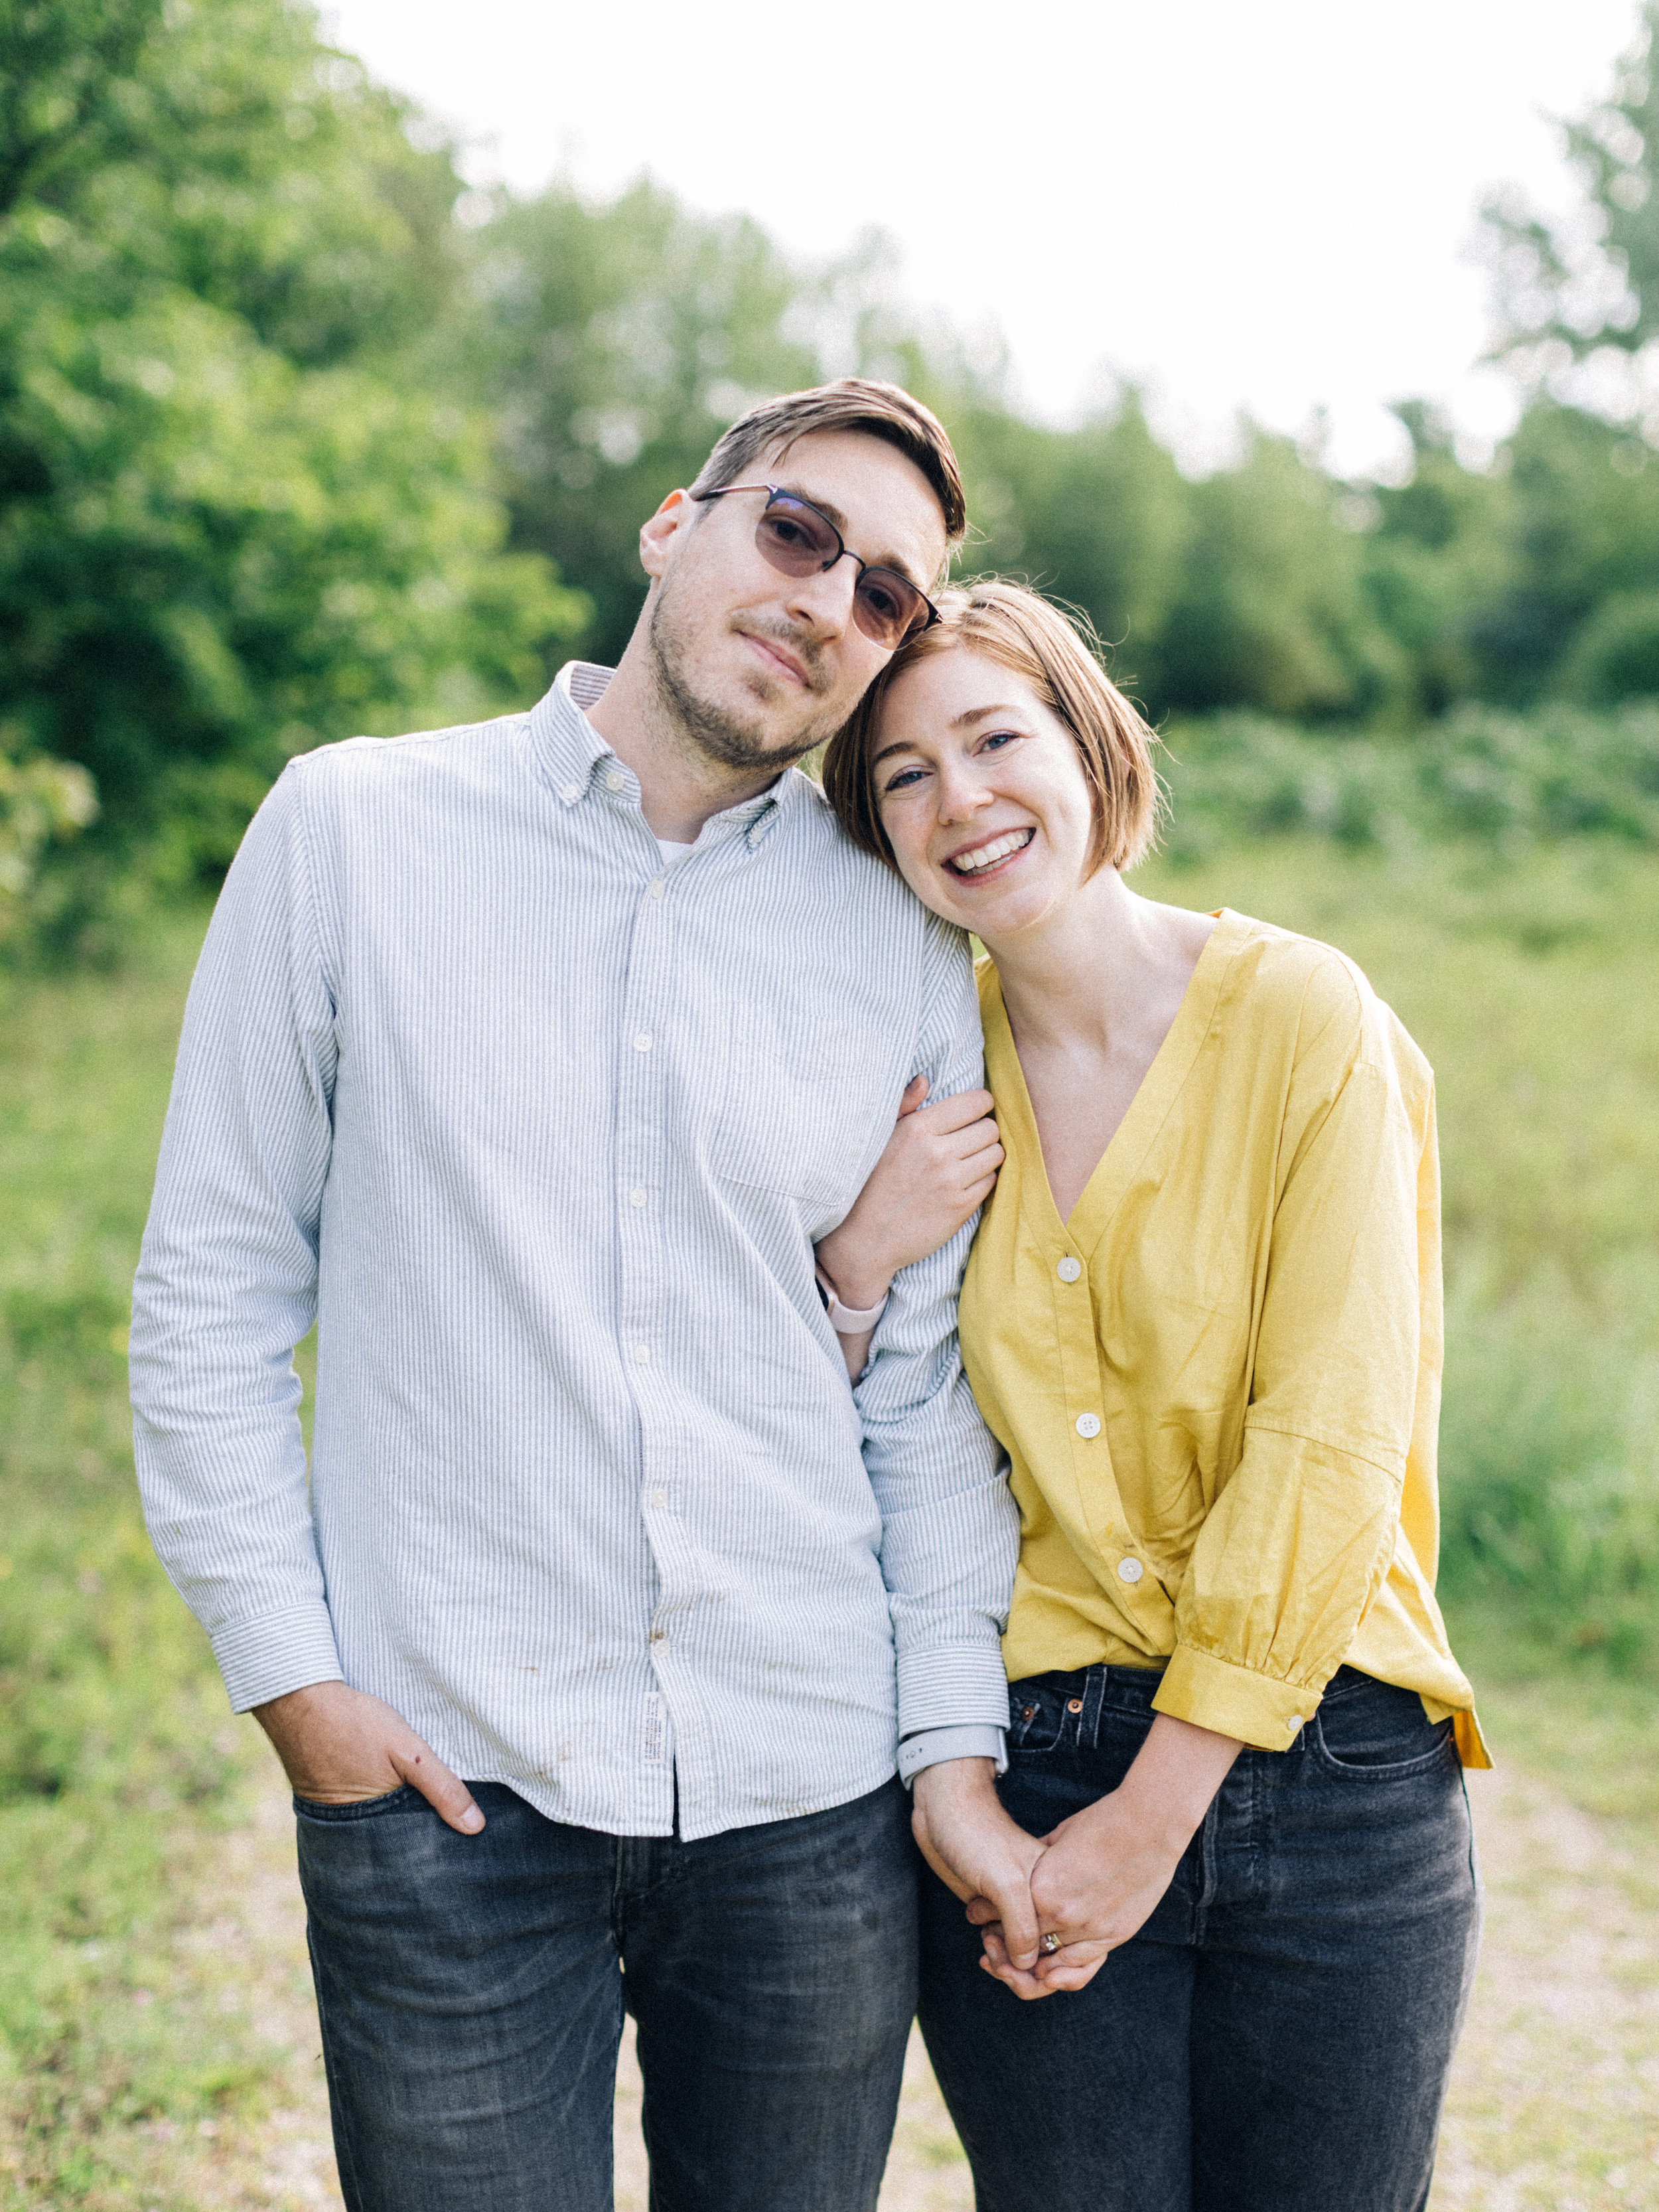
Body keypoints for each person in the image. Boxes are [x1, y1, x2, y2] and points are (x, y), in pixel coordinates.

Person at [127, 380, 1029, 2212]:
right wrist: (292, 1677)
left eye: (886, 596)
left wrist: (942, 1750)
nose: (826, 600)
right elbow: (212, 1286)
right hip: (452, 1781)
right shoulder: (352, 833)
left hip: (807, 1789)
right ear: (671, 522)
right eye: (795, 530)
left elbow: (920, 1399)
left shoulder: (905, 930)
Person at [819, 578, 1490, 2212]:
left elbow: (1327, 1433)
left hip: (1331, 1765)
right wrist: (852, 1261)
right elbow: (835, 1446)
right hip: (1029, 1771)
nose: (959, 798)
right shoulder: (907, 1073)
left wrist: (1152, 1815)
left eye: (993, 736)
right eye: (902, 772)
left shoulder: (1300, 1016)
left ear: (1087, 742)